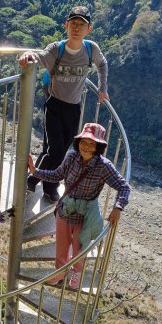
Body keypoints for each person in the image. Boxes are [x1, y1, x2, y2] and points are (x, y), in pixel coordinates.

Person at [19, 5, 109, 203]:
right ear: (66, 26)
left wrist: (103, 88)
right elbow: (40, 57)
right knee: (58, 152)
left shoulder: (90, 49)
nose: (77, 28)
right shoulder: (56, 49)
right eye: (73, 24)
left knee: (54, 149)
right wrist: (28, 53)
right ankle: (49, 188)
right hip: (54, 106)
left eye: (81, 25)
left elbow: (102, 64)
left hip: (74, 108)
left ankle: (34, 177)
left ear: (89, 29)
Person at [27, 122, 130, 290]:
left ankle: (77, 273)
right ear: (78, 142)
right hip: (65, 209)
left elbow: (124, 187)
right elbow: (57, 175)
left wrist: (117, 208)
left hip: (85, 215)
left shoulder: (104, 166)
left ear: (99, 146)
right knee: (61, 246)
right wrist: (35, 172)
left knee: (79, 248)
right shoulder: (71, 156)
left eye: (92, 143)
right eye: (84, 142)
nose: (86, 147)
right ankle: (59, 273)